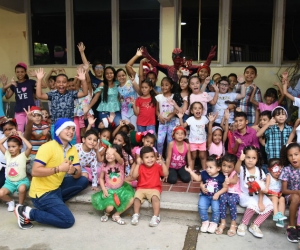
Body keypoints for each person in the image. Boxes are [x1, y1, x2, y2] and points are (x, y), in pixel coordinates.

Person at [14, 118, 86, 229]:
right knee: (68, 221)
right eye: (67, 128)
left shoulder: (72, 149)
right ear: (59, 130)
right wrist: (59, 169)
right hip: (42, 194)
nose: (71, 131)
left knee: (83, 180)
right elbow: (35, 171)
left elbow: (77, 174)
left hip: (56, 188)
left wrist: (74, 171)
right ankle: (26, 212)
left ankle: (55, 205)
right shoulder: (47, 147)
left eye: (73, 129)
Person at [35, 67, 88, 144]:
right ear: (55, 83)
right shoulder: (52, 94)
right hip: (56, 125)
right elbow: (39, 95)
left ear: (67, 84)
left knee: (70, 147)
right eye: (58, 82)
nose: (61, 84)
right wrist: (39, 80)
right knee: (57, 147)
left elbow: (85, 93)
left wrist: (83, 80)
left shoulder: (71, 93)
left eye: (64, 82)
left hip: (69, 126)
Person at [236, 146, 273, 238]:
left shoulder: (260, 171)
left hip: (257, 195)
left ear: (257, 159)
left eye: (253, 158)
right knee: (253, 205)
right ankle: (243, 224)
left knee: (270, 206)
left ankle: (255, 225)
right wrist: (240, 160)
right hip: (245, 195)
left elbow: (261, 187)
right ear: (244, 157)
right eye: (248, 157)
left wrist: (260, 202)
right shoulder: (242, 169)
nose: (250, 160)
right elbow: (236, 169)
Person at [91, 144, 134, 225]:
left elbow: (119, 158)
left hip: (121, 190)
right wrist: (103, 189)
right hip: (109, 190)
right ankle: (106, 213)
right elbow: (101, 178)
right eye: (107, 153)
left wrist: (114, 152)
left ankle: (116, 215)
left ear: (117, 154)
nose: (109, 156)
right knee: (109, 208)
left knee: (131, 200)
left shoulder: (120, 163)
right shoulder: (104, 166)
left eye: (112, 154)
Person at [185, 155, 228, 233]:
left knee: (216, 208)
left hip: (215, 197)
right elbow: (198, 179)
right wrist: (191, 171)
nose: (208, 169)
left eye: (210, 167)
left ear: (218, 168)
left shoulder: (222, 176)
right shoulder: (204, 173)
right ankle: (205, 222)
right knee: (201, 206)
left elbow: (225, 188)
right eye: (207, 166)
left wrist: (218, 194)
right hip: (205, 195)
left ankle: (214, 223)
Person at [131, 146, 168, 227]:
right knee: (136, 198)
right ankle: (136, 214)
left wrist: (162, 163)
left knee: (155, 198)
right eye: (147, 157)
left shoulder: (157, 166)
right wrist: (137, 164)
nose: (150, 159)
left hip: (154, 188)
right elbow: (134, 176)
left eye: (152, 157)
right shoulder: (140, 166)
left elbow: (165, 174)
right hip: (141, 188)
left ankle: (156, 216)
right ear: (141, 159)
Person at [5, 63, 47, 132]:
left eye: (22, 72)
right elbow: (7, 96)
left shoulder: (30, 82)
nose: (20, 74)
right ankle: (21, 142)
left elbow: (44, 85)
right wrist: (6, 84)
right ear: (15, 73)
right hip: (19, 110)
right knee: (19, 130)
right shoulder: (14, 84)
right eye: (17, 72)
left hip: (31, 110)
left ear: (25, 72)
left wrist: (38, 77)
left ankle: (30, 143)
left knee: (31, 129)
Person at [0, 131, 32, 212]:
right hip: (10, 182)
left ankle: (20, 205)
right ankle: (10, 201)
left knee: (22, 189)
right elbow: (0, 143)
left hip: (22, 181)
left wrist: (21, 136)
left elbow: (30, 147)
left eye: (13, 146)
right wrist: (8, 136)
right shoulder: (7, 155)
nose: (10, 149)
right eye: (9, 147)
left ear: (20, 147)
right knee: (0, 193)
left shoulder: (23, 155)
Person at [178, 102, 209, 170]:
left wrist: (212, 121)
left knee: (202, 156)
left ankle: (204, 171)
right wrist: (180, 118)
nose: (197, 110)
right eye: (195, 108)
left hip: (202, 141)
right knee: (193, 156)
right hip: (193, 142)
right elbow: (183, 126)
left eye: (199, 108)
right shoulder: (191, 119)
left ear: (202, 111)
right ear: (192, 111)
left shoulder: (204, 118)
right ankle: (191, 172)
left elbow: (209, 127)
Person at [280, 143, 300, 243]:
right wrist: (297, 192)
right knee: (296, 197)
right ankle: (291, 226)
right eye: (290, 155)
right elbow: (284, 190)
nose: (293, 158)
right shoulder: (286, 170)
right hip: (291, 196)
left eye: (296, 154)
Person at [216, 154, 239, 236]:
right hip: (225, 192)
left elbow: (235, 181)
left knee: (231, 200)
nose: (226, 169)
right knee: (222, 199)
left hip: (235, 193)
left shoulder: (234, 173)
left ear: (233, 167)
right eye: (224, 165)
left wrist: (229, 180)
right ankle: (223, 222)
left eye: (229, 167)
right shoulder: (220, 173)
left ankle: (233, 223)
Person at [26, 106, 50, 175]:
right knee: (34, 171)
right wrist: (42, 133)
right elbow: (36, 136)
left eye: (39, 115)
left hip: (43, 153)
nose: (37, 117)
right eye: (34, 116)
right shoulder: (32, 126)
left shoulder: (45, 126)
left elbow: (48, 138)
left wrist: (48, 134)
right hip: (33, 154)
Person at [155, 77, 176, 155]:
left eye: (166, 85)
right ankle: (159, 157)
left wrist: (171, 115)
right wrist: (159, 116)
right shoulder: (159, 97)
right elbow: (156, 110)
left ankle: (168, 158)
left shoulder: (174, 96)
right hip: (162, 122)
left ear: (171, 86)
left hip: (172, 122)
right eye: (162, 85)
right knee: (160, 141)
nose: (164, 87)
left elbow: (176, 109)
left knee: (170, 141)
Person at [264, 158, 287, 228]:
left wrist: (279, 194)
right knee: (275, 198)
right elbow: (266, 189)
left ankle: (281, 218)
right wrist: (274, 193)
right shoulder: (269, 176)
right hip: (269, 196)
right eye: (275, 170)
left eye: (280, 170)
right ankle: (276, 214)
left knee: (282, 198)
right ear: (269, 169)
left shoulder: (281, 177)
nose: (278, 173)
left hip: (278, 195)